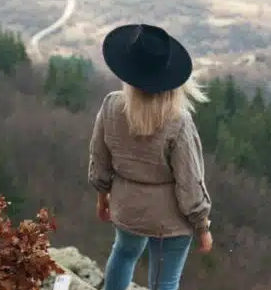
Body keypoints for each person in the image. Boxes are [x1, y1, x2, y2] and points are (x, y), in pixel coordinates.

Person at [88, 23, 213, 290]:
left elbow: (100, 158)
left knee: (123, 254)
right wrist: (202, 226)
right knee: (164, 280)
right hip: (170, 219)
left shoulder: (111, 105)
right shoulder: (178, 121)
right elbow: (189, 182)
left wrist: (102, 198)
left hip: (127, 206)